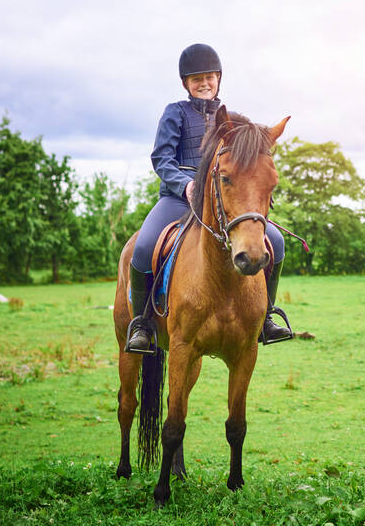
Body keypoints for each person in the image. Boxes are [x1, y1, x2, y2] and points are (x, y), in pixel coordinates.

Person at [124, 43, 293, 354]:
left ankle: (266, 316)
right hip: (179, 197)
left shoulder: (233, 118)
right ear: (186, 84)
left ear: (219, 78)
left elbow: (248, 158)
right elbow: (162, 158)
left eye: (209, 77)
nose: (204, 83)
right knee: (144, 246)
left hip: (220, 199)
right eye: (196, 78)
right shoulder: (175, 113)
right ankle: (143, 324)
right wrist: (185, 185)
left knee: (277, 242)